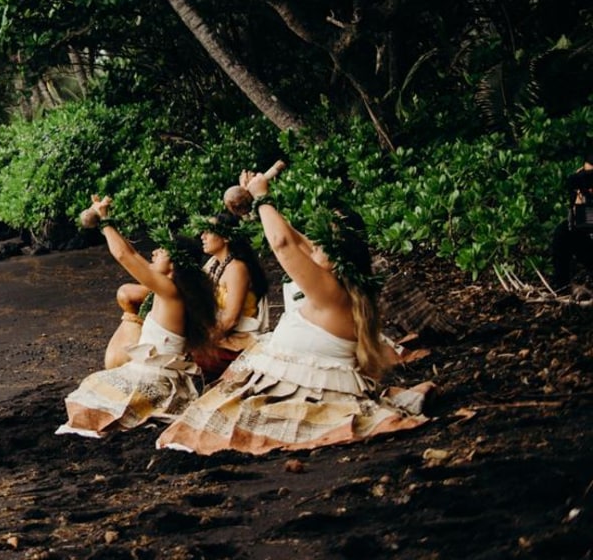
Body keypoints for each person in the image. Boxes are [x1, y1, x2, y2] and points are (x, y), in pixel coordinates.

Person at [158, 167, 429, 455]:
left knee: (212, 425)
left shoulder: (331, 290)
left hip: (307, 388)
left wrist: (263, 197)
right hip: (285, 376)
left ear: (337, 257)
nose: (314, 245)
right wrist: (253, 206)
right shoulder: (338, 277)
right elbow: (293, 237)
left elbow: (283, 244)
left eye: (323, 242)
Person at [60, 195, 219, 438]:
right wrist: (105, 216)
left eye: (163, 251)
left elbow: (125, 257)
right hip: (155, 373)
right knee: (91, 390)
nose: (155, 252)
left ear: (174, 265)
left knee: (89, 397)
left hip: (156, 379)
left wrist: (104, 221)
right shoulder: (172, 287)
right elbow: (132, 254)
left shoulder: (170, 291)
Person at [190, 212, 270, 380]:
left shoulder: (237, 268)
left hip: (237, 340)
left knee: (190, 358)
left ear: (226, 237)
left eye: (208, 231)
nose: (202, 236)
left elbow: (231, 319)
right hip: (219, 335)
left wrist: (202, 342)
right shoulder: (214, 264)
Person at [549, 153, 593, 291]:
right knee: (563, 232)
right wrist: (579, 202)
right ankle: (563, 286)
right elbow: (581, 226)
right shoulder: (584, 191)